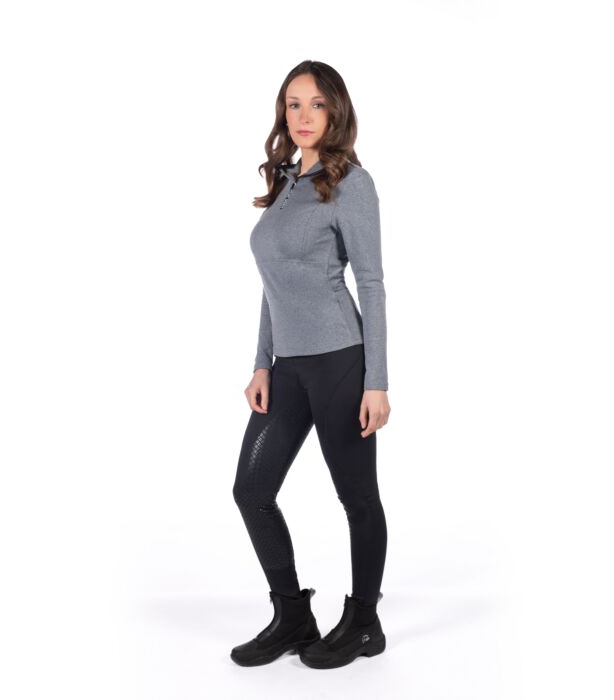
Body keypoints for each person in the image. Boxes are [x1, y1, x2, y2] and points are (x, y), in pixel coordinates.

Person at [230, 60, 391, 670]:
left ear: (336, 111)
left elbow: (371, 283)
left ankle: (365, 622)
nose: (302, 116)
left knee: (357, 497)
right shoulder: (286, 182)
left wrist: (377, 381)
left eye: (316, 104)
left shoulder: (352, 183)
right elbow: (273, 283)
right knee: (251, 489)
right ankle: (293, 615)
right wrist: (261, 362)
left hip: (340, 361)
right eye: (293, 104)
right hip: (288, 369)